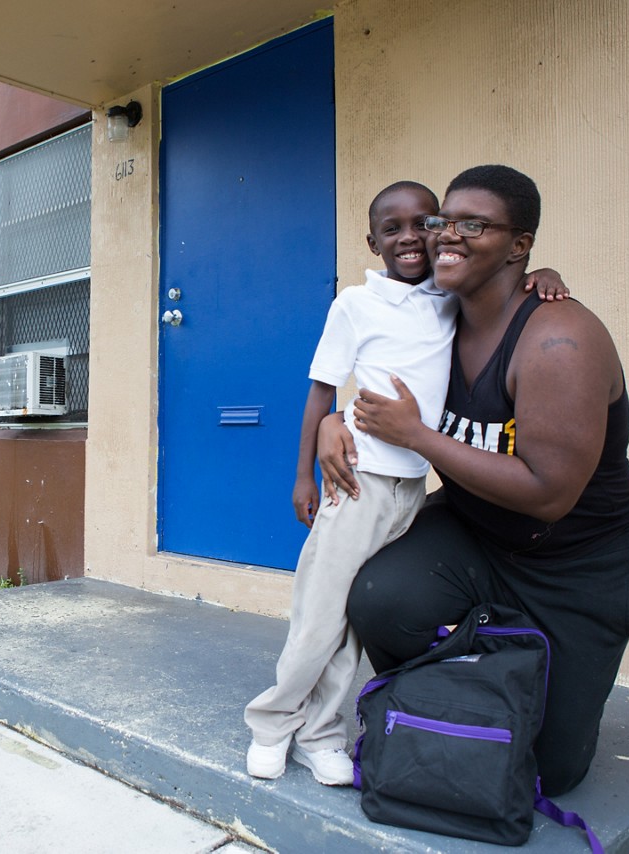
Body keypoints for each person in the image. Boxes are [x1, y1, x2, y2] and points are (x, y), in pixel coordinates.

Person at [323, 165, 629, 797]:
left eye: (473, 224)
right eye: (444, 220)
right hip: (478, 535)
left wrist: (417, 436)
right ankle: (451, 697)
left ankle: (519, 681)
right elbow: (371, 366)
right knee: (380, 598)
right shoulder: (438, 314)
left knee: (550, 772)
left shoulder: (559, 340)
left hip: (578, 559)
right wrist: (332, 421)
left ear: (520, 245)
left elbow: (549, 493)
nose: (448, 235)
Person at [243, 180, 568, 785]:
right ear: (373, 242)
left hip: (412, 489)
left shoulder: (448, 298)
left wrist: (542, 270)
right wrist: (303, 473)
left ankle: (320, 735)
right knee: (320, 615)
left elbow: (504, 279)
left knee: (356, 620)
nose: (411, 237)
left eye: (425, 222)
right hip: (357, 481)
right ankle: (271, 722)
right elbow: (322, 387)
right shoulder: (355, 306)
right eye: (392, 229)